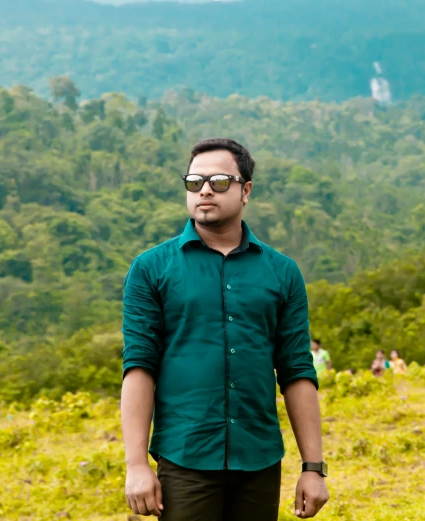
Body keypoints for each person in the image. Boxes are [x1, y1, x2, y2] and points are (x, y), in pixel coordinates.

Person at [120, 138, 329, 521]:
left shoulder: (282, 272)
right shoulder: (151, 269)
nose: (204, 190)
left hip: (260, 460)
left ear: (245, 190)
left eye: (218, 181)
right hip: (185, 458)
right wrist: (136, 465)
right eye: (194, 182)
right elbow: (139, 367)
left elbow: (297, 370)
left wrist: (312, 468)